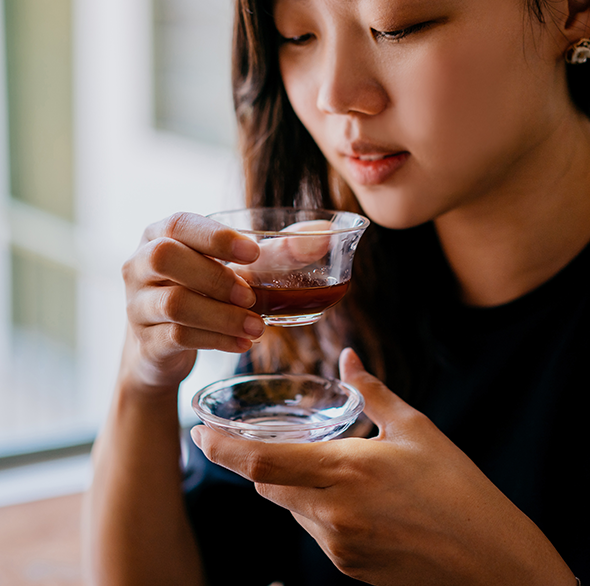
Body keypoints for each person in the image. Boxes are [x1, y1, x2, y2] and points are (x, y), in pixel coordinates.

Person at [82, 0, 590, 584]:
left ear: (571, 10)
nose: (333, 93)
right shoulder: (327, 301)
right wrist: (144, 376)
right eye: (298, 36)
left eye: (398, 28)